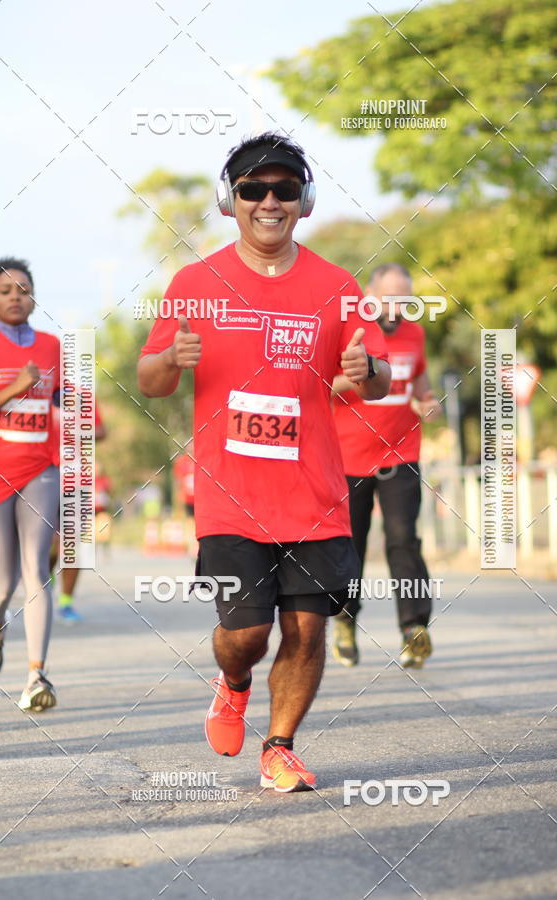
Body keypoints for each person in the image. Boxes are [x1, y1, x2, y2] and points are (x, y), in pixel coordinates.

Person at [138, 132, 390, 792]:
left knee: (307, 631)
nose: (269, 200)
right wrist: (170, 360)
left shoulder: (337, 286)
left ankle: (280, 746)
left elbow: (379, 377)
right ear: (232, 201)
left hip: (316, 497)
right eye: (254, 189)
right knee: (245, 633)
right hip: (230, 497)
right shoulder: (195, 283)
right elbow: (151, 379)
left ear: (303, 202)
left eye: (283, 189)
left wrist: (372, 371)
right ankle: (232, 681)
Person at [331, 263, 441, 668]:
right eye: (388, 296)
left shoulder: (415, 334)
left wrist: (427, 401)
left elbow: (419, 379)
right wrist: (361, 372)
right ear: (368, 294)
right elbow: (320, 385)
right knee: (350, 547)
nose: (396, 306)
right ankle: (344, 619)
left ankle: (414, 629)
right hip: (348, 457)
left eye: (404, 298)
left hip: (401, 452)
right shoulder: (349, 332)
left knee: (403, 540)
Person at [0, 257, 60, 710]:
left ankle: (37, 675)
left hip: (43, 467)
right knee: (4, 580)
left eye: (23, 289)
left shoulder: (55, 346)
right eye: (5, 290)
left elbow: (69, 405)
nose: (16, 297)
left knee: (36, 568)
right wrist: (15, 388)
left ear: (34, 296)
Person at [48, 401, 107, 623]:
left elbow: (101, 431)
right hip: (44, 480)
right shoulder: (38, 388)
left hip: (77, 484)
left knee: (74, 546)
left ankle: (66, 602)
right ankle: (46, 579)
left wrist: (77, 431)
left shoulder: (83, 396)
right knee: (50, 544)